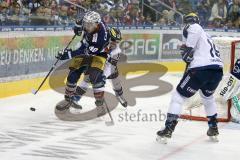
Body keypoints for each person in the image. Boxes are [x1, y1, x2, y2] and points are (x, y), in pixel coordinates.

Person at [156, 13, 223, 143]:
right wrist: (187, 52)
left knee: (178, 96)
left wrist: (186, 51)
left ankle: (168, 129)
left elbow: (188, 53)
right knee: (208, 98)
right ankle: (213, 127)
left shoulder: (194, 27)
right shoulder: (207, 38)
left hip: (200, 69)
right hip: (217, 71)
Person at [56, 11, 110, 116]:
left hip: (99, 53)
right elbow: (80, 20)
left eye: (89, 25)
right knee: (73, 74)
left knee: (95, 77)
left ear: (96, 24)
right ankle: (68, 101)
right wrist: (77, 26)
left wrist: (67, 54)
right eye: (86, 24)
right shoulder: (91, 22)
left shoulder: (100, 38)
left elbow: (84, 52)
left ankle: (100, 105)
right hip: (86, 46)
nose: (86, 26)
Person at [72, 27, 128, 108]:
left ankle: (120, 96)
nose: (115, 43)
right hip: (96, 62)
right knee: (87, 78)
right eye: (113, 40)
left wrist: (102, 76)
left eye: (117, 41)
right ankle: (75, 98)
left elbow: (110, 67)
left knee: (116, 81)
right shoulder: (100, 40)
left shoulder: (116, 51)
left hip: (108, 66)